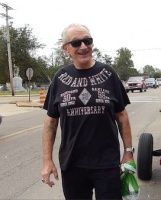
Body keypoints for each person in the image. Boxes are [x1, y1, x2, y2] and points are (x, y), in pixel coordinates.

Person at [41, 23, 134, 200]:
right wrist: (47, 160)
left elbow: (121, 115)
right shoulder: (60, 78)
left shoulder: (108, 73)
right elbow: (51, 122)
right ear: (66, 49)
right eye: (76, 43)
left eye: (87, 41)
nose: (83, 46)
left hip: (107, 163)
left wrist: (128, 153)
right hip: (72, 164)